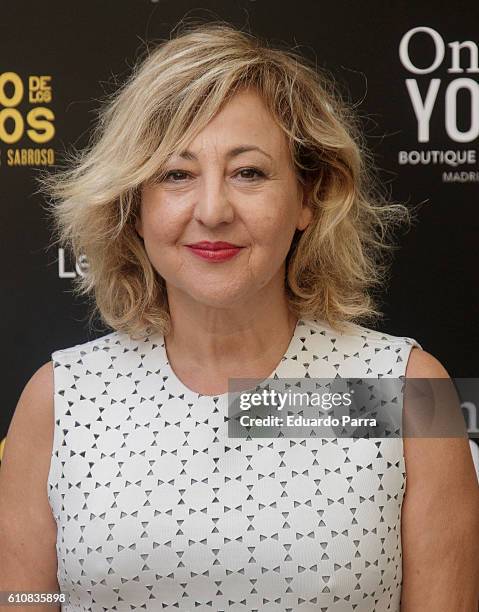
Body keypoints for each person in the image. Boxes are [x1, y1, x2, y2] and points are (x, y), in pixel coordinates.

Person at [1, 19, 478, 612]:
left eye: (248, 172)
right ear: (134, 206)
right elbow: (23, 595)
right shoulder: (62, 399)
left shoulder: (405, 392)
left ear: (309, 197)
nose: (212, 209)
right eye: (176, 174)